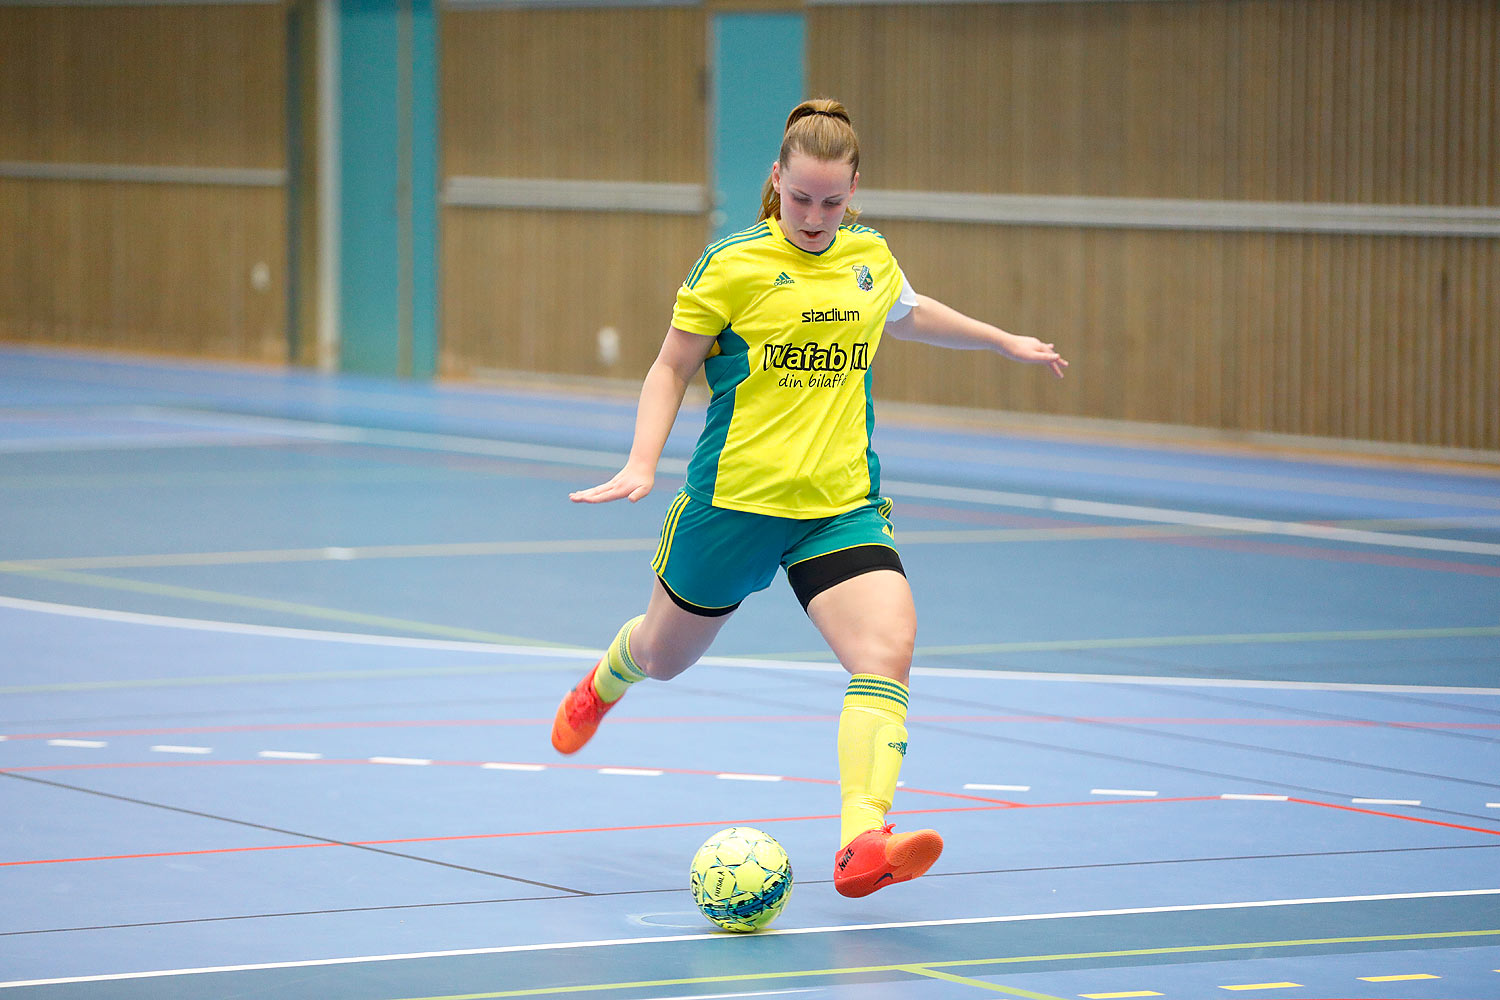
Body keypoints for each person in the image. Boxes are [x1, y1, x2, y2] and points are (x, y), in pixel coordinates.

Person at [552, 98, 1067, 899]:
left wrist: (1003, 340)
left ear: (854, 190)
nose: (815, 217)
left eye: (832, 201)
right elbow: (670, 366)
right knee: (664, 656)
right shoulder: (732, 263)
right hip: (735, 504)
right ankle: (606, 679)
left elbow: (910, 310)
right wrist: (641, 462)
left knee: (887, 648)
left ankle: (863, 839)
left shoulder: (868, 257)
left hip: (838, 504)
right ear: (776, 181)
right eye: (800, 199)